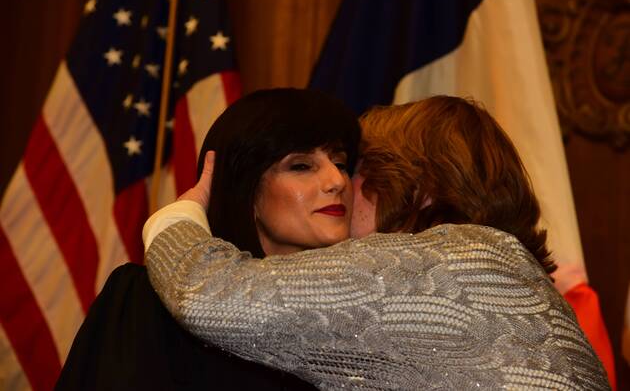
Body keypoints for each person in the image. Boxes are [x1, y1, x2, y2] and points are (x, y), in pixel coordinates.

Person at [144, 96, 610, 390]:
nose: (341, 185)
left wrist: (178, 216)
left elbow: (210, 295)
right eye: (305, 165)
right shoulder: (513, 276)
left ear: (419, 189)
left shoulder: (435, 265)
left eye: (355, 169)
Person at [56, 88, 360, 391]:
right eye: (302, 166)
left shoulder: (365, 308)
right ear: (245, 189)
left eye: (341, 164)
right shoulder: (146, 303)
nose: (337, 181)